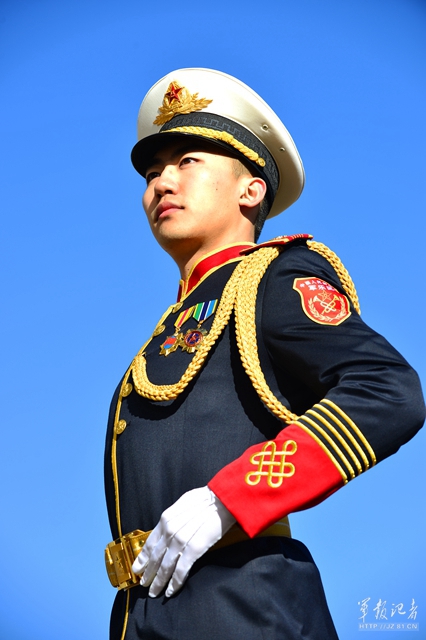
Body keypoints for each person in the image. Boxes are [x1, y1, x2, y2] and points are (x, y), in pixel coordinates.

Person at [104, 68, 425, 640]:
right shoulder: (173, 322)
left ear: (250, 190)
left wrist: (231, 499)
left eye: (186, 162)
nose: (162, 183)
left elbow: (387, 389)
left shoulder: (271, 278)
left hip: (245, 608)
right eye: (152, 173)